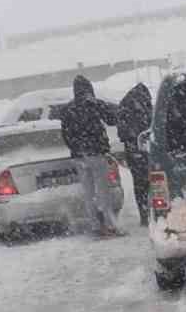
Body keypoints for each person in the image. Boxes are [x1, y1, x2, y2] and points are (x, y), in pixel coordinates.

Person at [50, 75, 121, 236]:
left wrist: (76, 148)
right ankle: (110, 226)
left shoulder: (68, 109)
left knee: (88, 193)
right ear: (89, 89)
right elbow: (112, 119)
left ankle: (95, 225)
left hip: (79, 156)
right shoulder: (93, 104)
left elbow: (65, 134)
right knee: (103, 192)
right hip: (96, 153)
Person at [117, 82, 153, 226]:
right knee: (153, 181)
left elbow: (121, 133)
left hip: (132, 151)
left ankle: (144, 215)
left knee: (139, 184)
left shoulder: (124, 106)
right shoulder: (144, 106)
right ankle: (155, 213)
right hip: (146, 148)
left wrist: (131, 141)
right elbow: (151, 125)